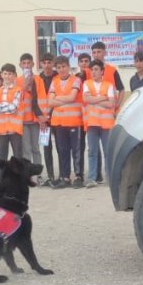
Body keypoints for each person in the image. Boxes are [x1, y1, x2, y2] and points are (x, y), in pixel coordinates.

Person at [48, 55, 83, 188]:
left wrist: (58, 98)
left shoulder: (76, 80)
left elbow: (73, 97)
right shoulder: (54, 81)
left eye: (64, 66)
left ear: (68, 66)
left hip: (73, 121)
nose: (61, 69)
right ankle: (65, 177)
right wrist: (65, 98)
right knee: (62, 150)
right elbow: (50, 102)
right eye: (59, 67)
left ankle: (78, 176)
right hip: (59, 123)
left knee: (76, 150)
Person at [81, 59, 116, 189]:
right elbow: (86, 99)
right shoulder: (86, 83)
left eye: (96, 69)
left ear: (102, 71)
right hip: (92, 123)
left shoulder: (109, 85)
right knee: (92, 151)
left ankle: (109, 177)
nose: (93, 72)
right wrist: (103, 97)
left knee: (107, 151)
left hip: (106, 124)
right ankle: (91, 178)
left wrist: (94, 99)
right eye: (92, 70)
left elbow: (111, 103)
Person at [0, 63, 24, 163]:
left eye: (10, 74)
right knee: (2, 159)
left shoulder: (18, 90)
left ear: (15, 75)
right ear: (2, 75)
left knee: (18, 158)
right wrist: (7, 105)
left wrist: (1, 106)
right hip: (1, 131)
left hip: (15, 130)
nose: (7, 76)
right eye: (5, 73)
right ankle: (4, 178)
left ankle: (19, 178)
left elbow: (13, 108)